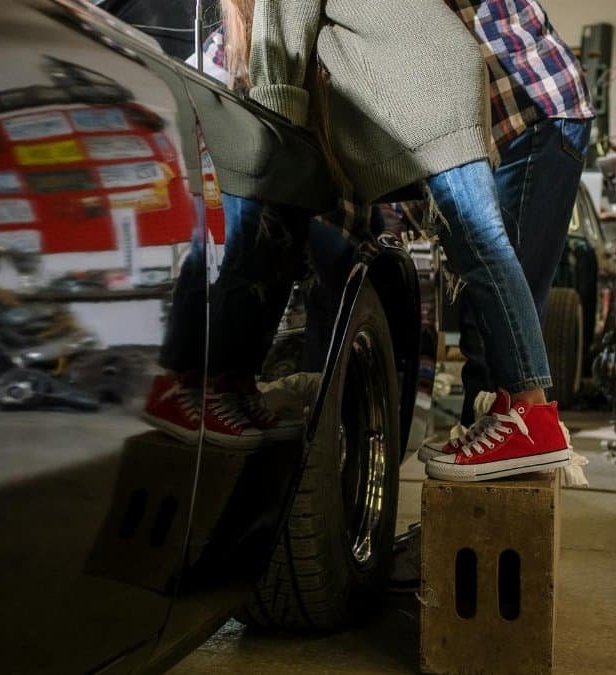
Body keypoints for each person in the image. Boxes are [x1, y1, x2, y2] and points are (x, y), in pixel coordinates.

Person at [246, 0, 572, 481]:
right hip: (440, 76)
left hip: (427, 88)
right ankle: (518, 405)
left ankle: (532, 414)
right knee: (480, 249)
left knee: (483, 247)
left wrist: (268, 132)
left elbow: (281, 34)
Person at [416, 0, 595, 461]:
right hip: (529, 114)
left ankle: (519, 429)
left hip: (532, 110)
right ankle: (490, 431)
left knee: (498, 287)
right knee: (489, 303)